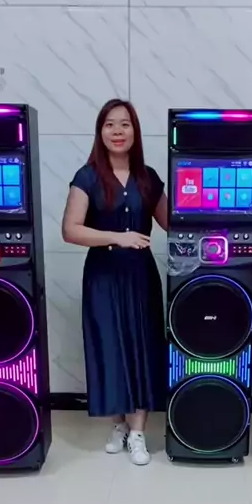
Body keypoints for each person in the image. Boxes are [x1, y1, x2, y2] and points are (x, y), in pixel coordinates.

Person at [62, 99, 168, 465]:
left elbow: (173, 222)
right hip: (103, 277)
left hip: (140, 277)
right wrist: (117, 237)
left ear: (135, 131)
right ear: (100, 131)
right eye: (110, 124)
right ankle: (118, 424)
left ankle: (138, 432)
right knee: (109, 347)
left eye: (125, 124)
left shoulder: (148, 178)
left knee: (142, 347)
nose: (118, 131)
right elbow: (71, 230)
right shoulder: (87, 176)